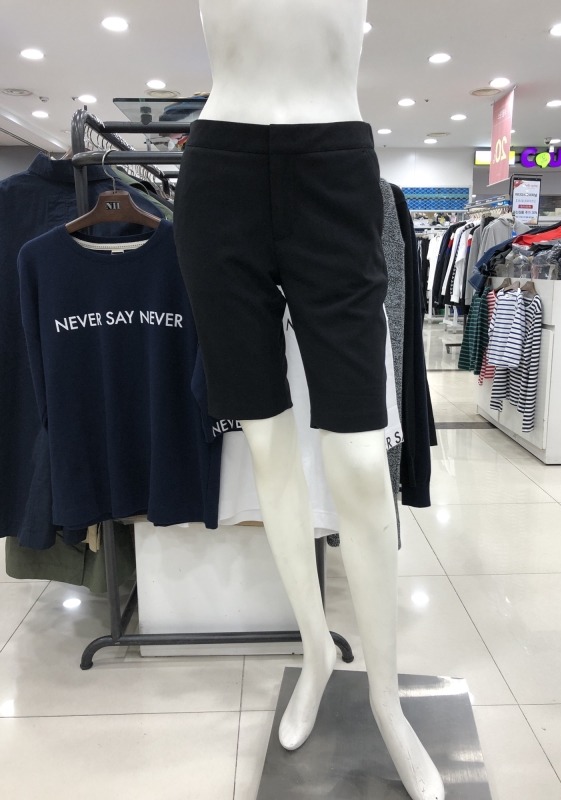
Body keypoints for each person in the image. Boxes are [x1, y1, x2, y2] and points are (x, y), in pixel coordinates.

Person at [173, 2, 444, 798]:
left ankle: (387, 700)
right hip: (218, 169)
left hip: (333, 165)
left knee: (359, 453)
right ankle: (316, 650)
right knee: (265, 441)